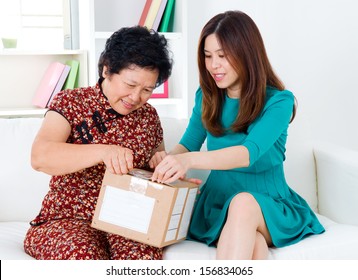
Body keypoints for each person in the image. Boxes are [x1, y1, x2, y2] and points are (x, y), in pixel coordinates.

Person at [150, 10, 325, 259]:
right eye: (208, 56)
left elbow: (247, 153)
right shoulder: (207, 96)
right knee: (252, 243)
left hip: (267, 205)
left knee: (243, 204)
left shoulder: (278, 102)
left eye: (222, 56)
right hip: (218, 204)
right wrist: (168, 159)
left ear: (247, 53)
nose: (213, 65)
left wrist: (186, 162)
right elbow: (189, 144)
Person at [24, 26, 173, 260]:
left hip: (128, 224)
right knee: (83, 256)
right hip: (67, 220)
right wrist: (103, 152)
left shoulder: (149, 116)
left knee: (143, 258)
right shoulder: (71, 101)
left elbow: (156, 181)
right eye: (130, 85)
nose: (136, 98)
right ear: (107, 69)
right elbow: (40, 157)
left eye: (147, 90)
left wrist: (162, 166)